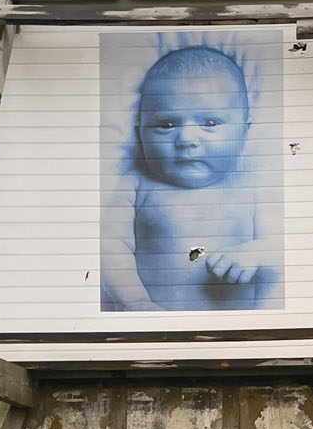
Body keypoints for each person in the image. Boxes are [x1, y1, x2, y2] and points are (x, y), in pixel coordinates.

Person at [102, 43, 280, 310]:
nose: (186, 139)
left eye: (209, 123)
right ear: (140, 130)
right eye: (166, 125)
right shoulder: (135, 185)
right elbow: (109, 248)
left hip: (238, 332)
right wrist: (135, 303)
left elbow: (284, 246)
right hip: (157, 327)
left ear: (245, 130)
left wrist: (256, 252)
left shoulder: (252, 188)